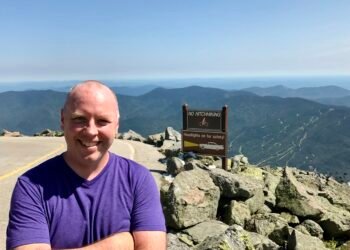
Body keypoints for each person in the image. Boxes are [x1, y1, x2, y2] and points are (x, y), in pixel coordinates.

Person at [6, 80, 167, 250]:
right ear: (63, 119)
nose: (91, 131)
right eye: (79, 119)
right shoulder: (31, 187)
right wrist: (118, 244)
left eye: (102, 121)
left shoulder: (138, 180)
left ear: (117, 126)